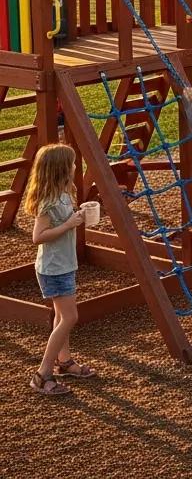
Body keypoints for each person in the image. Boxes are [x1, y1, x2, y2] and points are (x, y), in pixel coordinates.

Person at [24, 144, 95, 396]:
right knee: (70, 317)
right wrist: (69, 224)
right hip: (53, 268)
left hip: (65, 264)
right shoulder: (48, 202)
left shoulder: (65, 194)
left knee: (60, 315)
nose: (76, 167)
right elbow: (38, 236)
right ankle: (43, 374)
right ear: (61, 170)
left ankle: (64, 361)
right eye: (73, 163)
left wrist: (79, 215)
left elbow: (67, 219)